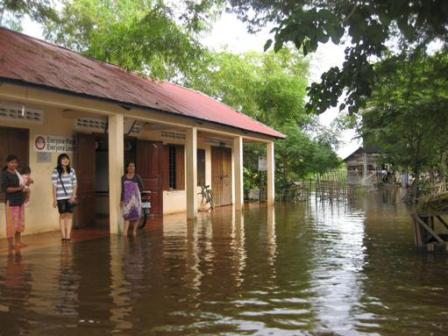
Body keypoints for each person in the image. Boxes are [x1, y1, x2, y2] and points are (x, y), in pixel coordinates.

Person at [1, 155, 27, 252]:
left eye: (15, 162)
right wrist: (18, 189)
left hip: (20, 201)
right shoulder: (4, 174)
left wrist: (27, 183)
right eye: (11, 162)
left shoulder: (17, 173)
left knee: (19, 223)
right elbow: (5, 189)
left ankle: (18, 242)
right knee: (11, 224)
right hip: (11, 202)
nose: (14, 164)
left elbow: (22, 185)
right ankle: (11, 244)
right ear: (7, 163)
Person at [52, 153, 77, 242]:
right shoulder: (56, 171)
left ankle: (68, 235)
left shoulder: (72, 170)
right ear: (59, 161)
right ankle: (63, 235)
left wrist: (73, 196)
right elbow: (54, 186)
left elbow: (74, 184)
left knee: (69, 216)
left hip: (70, 197)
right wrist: (54, 199)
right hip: (60, 198)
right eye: (63, 159)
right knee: (62, 216)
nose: (65, 160)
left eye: (67, 159)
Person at [121, 162, 144, 236]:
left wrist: (135, 192)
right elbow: (123, 190)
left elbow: (142, 187)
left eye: (133, 166)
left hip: (136, 199)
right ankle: (125, 233)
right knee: (127, 215)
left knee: (137, 215)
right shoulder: (123, 177)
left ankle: (134, 231)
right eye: (130, 166)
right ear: (127, 168)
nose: (132, 168)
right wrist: (121, 200)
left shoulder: (137, 177)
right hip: (127, 199)